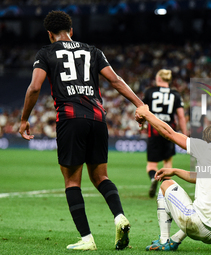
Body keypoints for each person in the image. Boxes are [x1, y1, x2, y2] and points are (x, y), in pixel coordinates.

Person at [19, 11, 144, 251]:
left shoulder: (45, 53)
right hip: (98, 118)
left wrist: (24, 119)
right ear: (71, 30)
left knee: (71, 181)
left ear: (49, 34)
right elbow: (116, 80)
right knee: (101, 177)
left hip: (70, 118)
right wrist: (139, 104)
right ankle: (119, 216)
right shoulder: (93, 50)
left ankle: (87, 239)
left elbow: (35, 87)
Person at [136, 105, 211, 251]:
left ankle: (164, 240)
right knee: (200, 206)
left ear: (208, 139)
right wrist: (176, 171)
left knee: (166, 184)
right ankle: (175, 240)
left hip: (201, 226)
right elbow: (203, 178)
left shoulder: (206, 148)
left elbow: (169, 133)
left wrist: (147, 115)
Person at [142, 69, 187, 198]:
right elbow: (181, 116)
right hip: (169, 132)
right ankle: (167, 191)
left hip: (154, 131)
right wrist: (184, 135)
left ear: (159, 79)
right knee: (168, 164)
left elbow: (143, 111)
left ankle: (153, 178)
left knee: (151, 164)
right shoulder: (175, 94)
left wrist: (142, 124)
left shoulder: (150, 92)